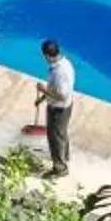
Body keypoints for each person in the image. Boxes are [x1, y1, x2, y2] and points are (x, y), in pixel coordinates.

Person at [36, 39, 77, 176]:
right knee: (61, 133)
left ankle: (60, 168)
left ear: (47, 55)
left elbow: (62, 96)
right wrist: (42, 99)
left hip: (59, 109)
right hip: (63, 106)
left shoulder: (60, 72)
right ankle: (65, 155)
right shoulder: (65, 63)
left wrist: (43, 91)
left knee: (55, 138)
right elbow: (55, 88)